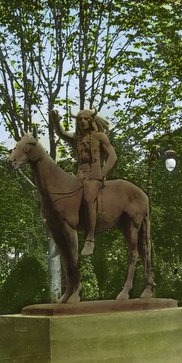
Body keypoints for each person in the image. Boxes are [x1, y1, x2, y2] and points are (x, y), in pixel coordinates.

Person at [50, 108, 117, 256]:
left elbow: (113, 157)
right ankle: (61, 236)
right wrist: (56, 121)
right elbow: (62, 133)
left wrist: (102, 174)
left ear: (91, 120)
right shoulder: (77, 139)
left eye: (86, 119)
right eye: (80, 120)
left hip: (94, 177)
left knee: (88, 197)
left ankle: (90, 239)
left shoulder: (100, 137)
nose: (83, 122)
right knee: (63, 197)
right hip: (79, 176)